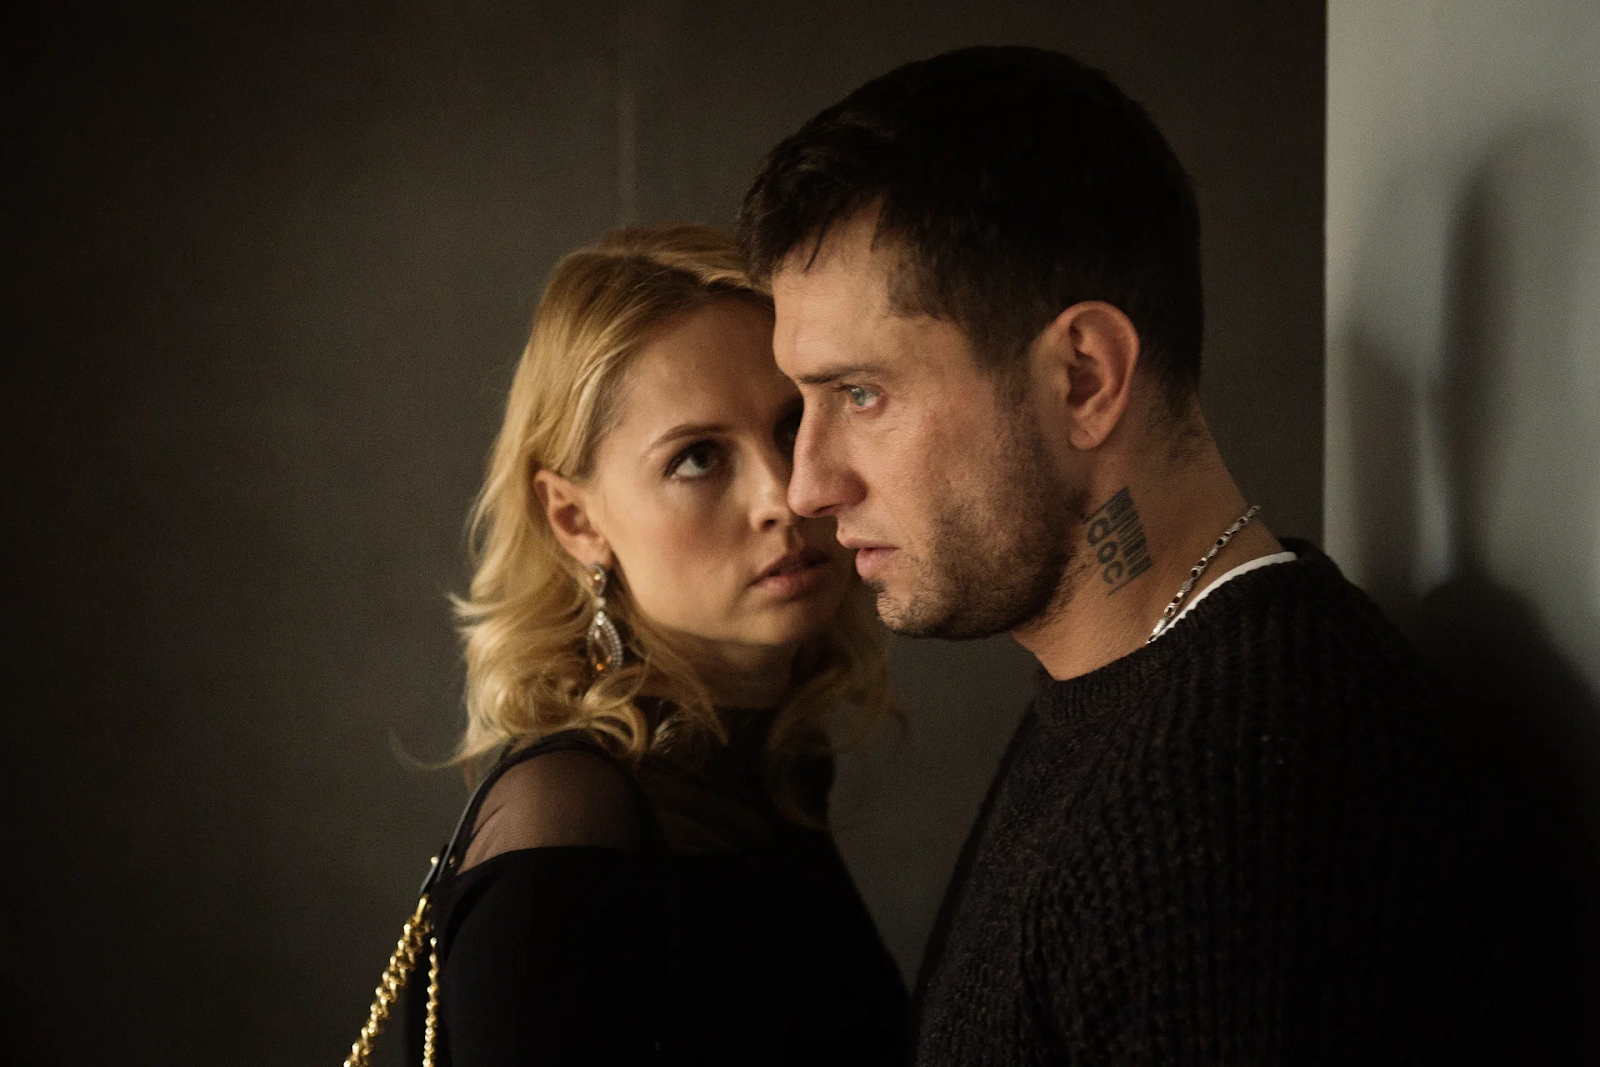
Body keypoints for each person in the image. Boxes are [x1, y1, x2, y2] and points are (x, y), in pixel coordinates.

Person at [739, 46, 1514, 1064]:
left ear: (1084, 377)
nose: (806, 484)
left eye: (861, 393)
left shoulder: (1232, 801)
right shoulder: (1135, 687)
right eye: (806, 403)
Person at [401, 225, 907, 1064]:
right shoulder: (570, 821)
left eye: (792, 425)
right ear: (575, 518)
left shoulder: (761, 766)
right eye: (698, 457)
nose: (787, 494)